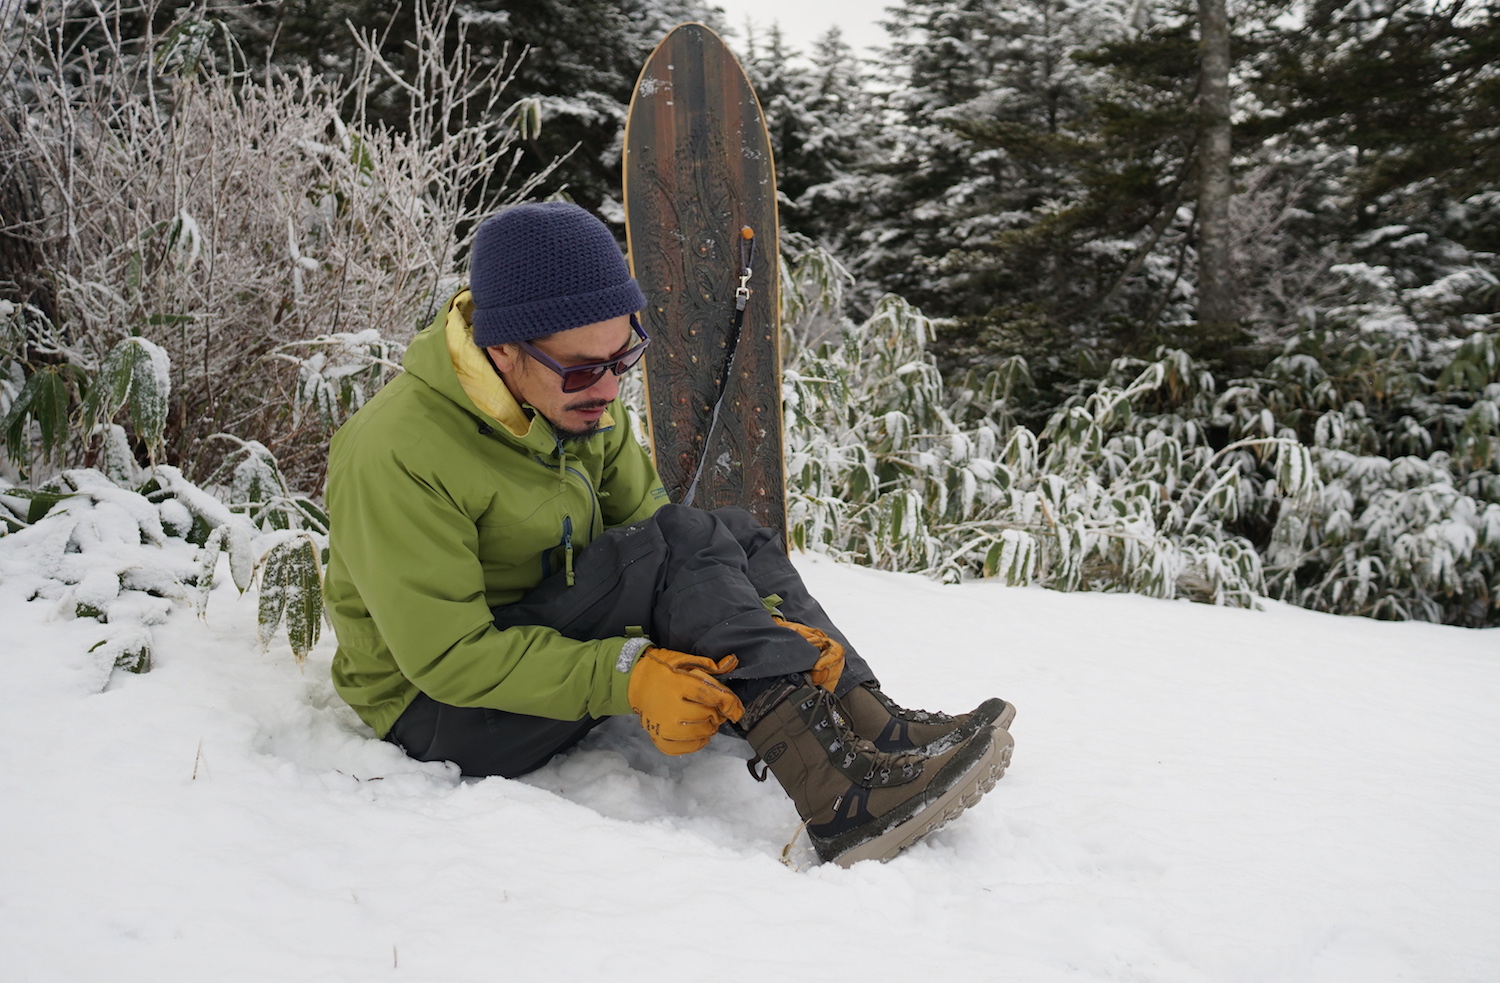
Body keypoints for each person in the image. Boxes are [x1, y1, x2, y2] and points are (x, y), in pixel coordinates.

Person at [323, 202, 1017, 866]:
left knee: (732, 534)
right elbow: (448, 658)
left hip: (542, 631)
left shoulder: (579, 400)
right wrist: (625, 676)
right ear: (503, 350)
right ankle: (838, 799)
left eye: (623, 358)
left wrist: (768, 630)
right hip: (443, 712)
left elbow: (666, 535)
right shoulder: (397, 451)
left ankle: (868, 720)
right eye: (585, 368)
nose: (608, 388)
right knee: (675, 546)